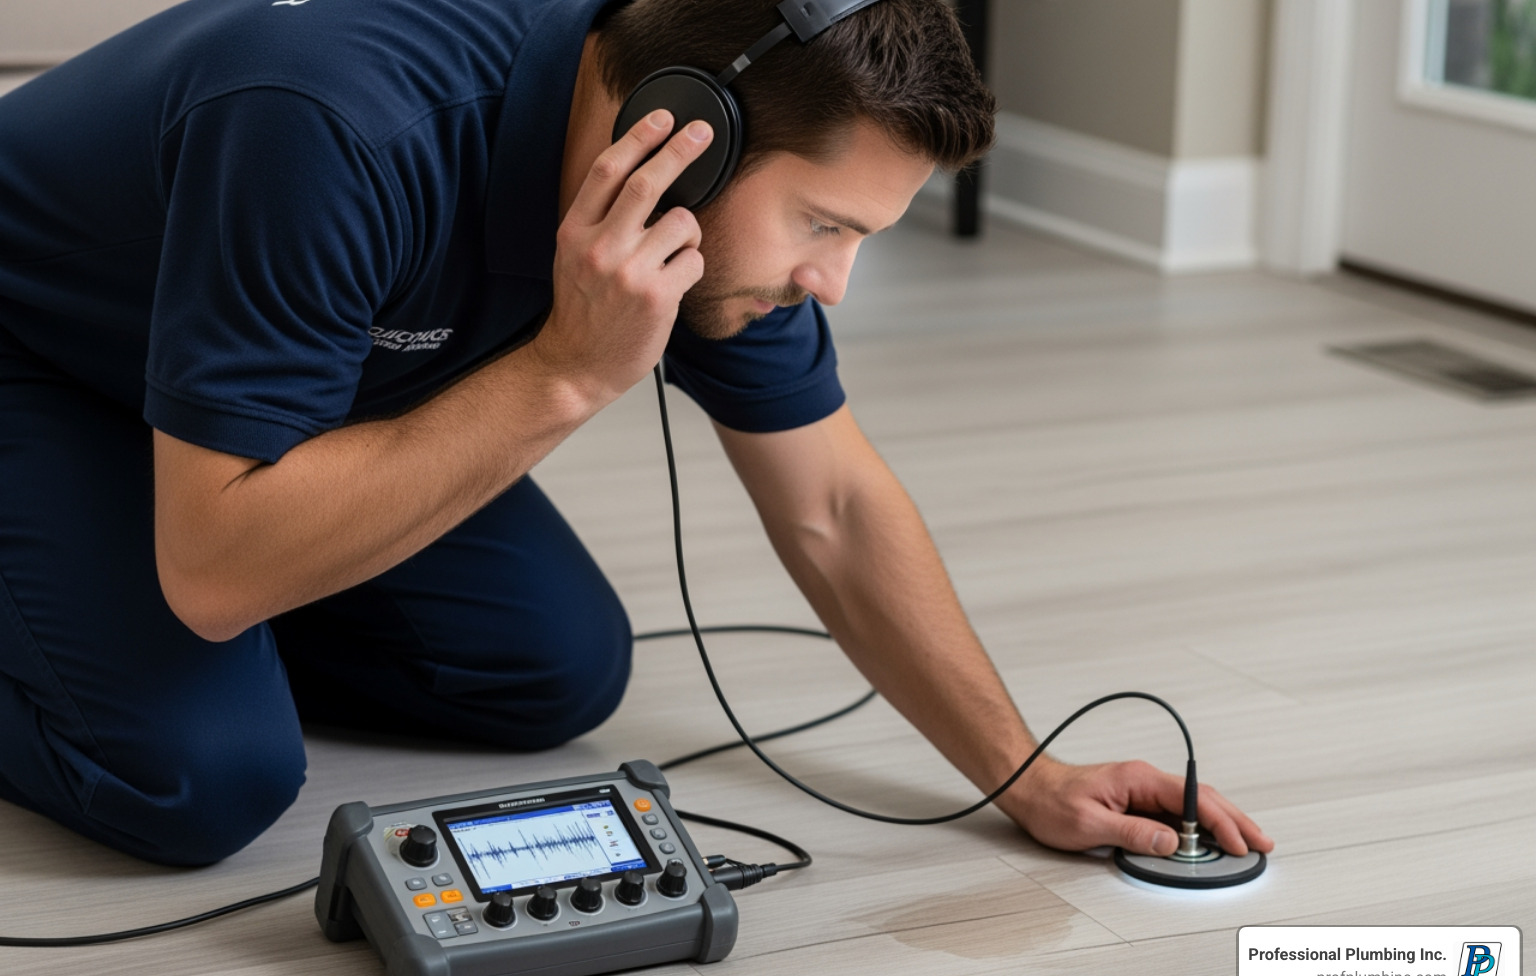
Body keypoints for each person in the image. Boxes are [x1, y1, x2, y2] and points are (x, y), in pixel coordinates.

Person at [0, 0, 1273, 868]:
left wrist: (1023, 774)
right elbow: (215, 575)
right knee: (198, 775)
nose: (831, 282)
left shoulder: (696, 201)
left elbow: (827, 500)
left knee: (550, 666)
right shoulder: (334, 123)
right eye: (826, 225)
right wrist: (562, 377)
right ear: (690, 139)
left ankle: (99, 584)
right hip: (36, 354)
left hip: (256, 397)